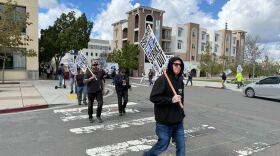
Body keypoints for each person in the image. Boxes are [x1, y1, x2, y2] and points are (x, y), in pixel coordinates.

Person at [143, 57, 186, 156]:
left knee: (181, 147)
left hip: (178, 122)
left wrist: (181, 114)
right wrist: (171, 100)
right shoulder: (162, 79)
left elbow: (181, 100)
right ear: (171, 65)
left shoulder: (180, 81)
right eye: (176, 64)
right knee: (163, 144)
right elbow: (154, 97)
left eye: (180, 65)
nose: (178, 66)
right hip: (164, 122)